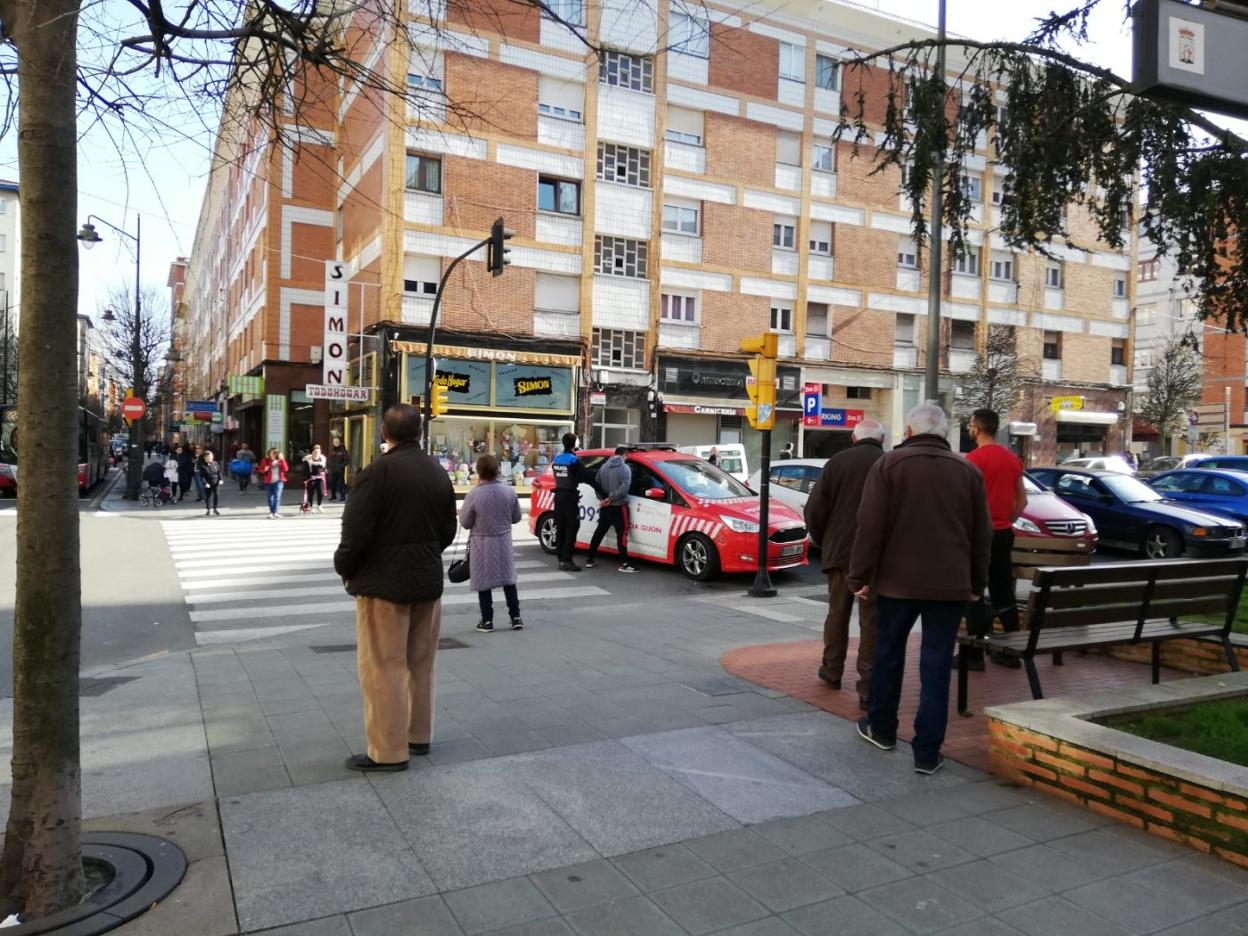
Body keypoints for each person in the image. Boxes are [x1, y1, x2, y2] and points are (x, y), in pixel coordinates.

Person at [849, 403, 991, 775]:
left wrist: (859, 577)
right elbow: (981, 536)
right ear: (944, 433)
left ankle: (882, 729)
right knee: (936, 666)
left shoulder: (889, 466)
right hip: (950, 585)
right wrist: (977, 584)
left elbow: (870, 526)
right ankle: (927, 753)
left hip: (897, 585)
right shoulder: (968, 471)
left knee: (889, 656)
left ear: (909, 432)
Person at [334, 404, 457, 772]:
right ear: (419, 432)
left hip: (383, 586)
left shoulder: (376, 473)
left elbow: (355, 534)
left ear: (385, 434)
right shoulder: (438, 472)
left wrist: (345, 566)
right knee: (422, 665)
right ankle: (419, 735)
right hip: (426, 582)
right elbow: (447, 530)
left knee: (383, 668)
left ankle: (387, 752)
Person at [804, 419, 886, 709]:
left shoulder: (837, 463)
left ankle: (832, 670)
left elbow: (814, 509)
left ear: (853, 437)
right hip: (878, 557)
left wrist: (825, 540)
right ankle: (868, 686)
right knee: (871, 621)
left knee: (837, 613)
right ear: (882, 439)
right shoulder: (888, 463)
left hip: (840, 553)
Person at [963, 408, 1028, 671]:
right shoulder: (1013, 459)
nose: (970, 429)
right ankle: (1011, 652)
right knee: (1004, 592)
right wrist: (1006, 521)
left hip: (979, 536)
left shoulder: (973, 460)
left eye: (970, 425)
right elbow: (1022, 499)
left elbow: (965, 501)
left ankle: (974, 655)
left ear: (977, 429)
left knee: (974, 592)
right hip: (1003, 534)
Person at [460, 454, 524, 633]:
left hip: (482, 542)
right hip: (503, 540)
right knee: (508, 579)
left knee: (483, 580)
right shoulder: (509, 492)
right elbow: (517, 517)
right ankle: (515, 616)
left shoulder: (473, 494)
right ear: (497, 470)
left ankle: (487, 620)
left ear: (479, 472)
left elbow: (465, 522)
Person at [585, 445, 638, 573]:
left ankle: (590, 559)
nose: (627, 458)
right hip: (619, 507)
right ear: (625, 454)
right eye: (627, 456)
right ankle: (624, 563)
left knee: (599, 532)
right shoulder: (625, 468)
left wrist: (603, 500)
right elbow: (624, 489)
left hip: (605, 507)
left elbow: (596, 484)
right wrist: (611, 498)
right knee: (622, 535)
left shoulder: (603, 467)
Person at [551, 432, 590, 573]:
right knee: (572, 527)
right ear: (575, 444)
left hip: (558, 497)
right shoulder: (574, 460)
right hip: (569, 497)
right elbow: (584, 476)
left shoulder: (557, 458)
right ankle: (567, 560)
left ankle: (561, 558)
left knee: (560, 527)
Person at [259, 448, 289, 519]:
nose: (272, 455)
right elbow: (260, 469)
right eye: (270, 453)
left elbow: (286, 469)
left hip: (279, 481)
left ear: (277, 454)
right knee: (270, 498)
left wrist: (282, 459)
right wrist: (264, 470)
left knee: (277, 497)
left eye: (273, 453)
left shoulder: (280, 461)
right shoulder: (265, 460)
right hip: (268, 482)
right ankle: (271, 512)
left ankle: (275, 512)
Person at [303, 444, 328, 513]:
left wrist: (324, 472)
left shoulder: (323, 459)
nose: (317, 453)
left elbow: (325, 468)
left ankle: (319, 505)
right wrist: (306, 478)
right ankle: (310, 507)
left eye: (318, 452)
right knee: (310, 493)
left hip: (320, 479)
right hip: (311, 479)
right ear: (312, 452)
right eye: (315, 451)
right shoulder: (307, 459)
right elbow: (305, 470)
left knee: (321, 492)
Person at [198, 450, 222, 516]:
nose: (210, 458)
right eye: (208, 457)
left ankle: (215, 509)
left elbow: (219, 472)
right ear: (205, 458)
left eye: (211, 457)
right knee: (208, 496)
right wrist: (205, 483)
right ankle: (208, 509)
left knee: (216, 495)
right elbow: (202, 476)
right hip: (208, 483)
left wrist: (220, 479)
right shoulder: (203, 466)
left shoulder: (215, 463)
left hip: (216, 482)